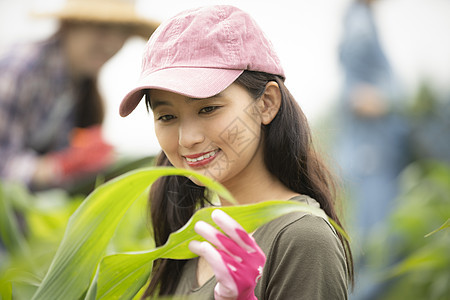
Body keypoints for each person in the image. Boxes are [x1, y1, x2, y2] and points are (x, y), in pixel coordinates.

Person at [120, 5, 353, 299]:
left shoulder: (301, 238)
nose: (187, 139)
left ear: (267, 103)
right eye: (167, 117)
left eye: (208, 108)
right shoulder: (189, 235)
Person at [0, 0, 159, 191]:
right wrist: (59, 167)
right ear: (69, 25)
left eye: (123, 32)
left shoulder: (78, 83)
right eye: (103, 27)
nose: (112, 43)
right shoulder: (21, 69)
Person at [335, 0, 410, 299]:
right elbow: (356, 93)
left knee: (375, 253)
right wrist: (388, 100)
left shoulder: (362, 21)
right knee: (379, 253)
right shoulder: (360, 23)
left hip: (373, 156)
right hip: (372, 159)